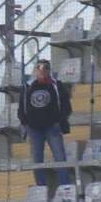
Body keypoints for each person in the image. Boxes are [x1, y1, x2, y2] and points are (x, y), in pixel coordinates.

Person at [18, 59, 72, 194]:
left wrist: (59, 121)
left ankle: (65, 188)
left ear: (49, 70)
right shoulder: (27, 86)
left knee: (60, 158)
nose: (42, 71)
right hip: (34, 129)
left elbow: (66, 105)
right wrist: (25, 123)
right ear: (35, 70)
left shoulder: (56, 85)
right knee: (37, 160)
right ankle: (40, 190)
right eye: (39, 68)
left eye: (45, 68)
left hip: (52, 127)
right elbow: (21, 107)